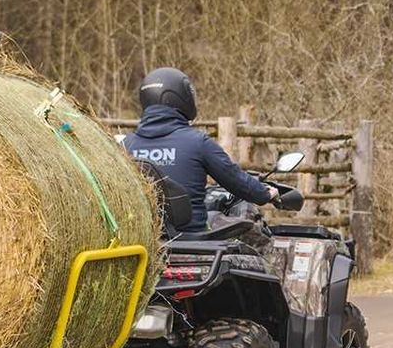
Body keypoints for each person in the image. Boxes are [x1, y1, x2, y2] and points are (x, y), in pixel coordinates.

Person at [124, 67, 296, 232]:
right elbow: (236, 180)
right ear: (183, 97)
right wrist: (266, 193)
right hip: (192, 241)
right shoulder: (198, 142)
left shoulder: (125, 146)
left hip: (146, 245)